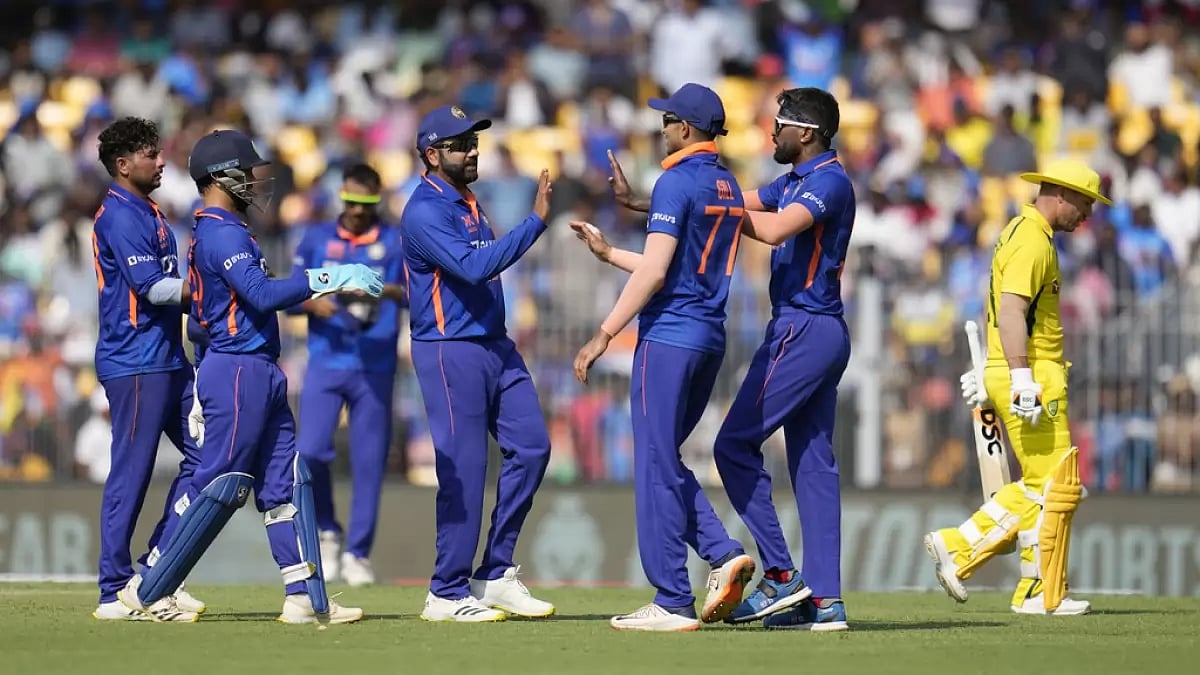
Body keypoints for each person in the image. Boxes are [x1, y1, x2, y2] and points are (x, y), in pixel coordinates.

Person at [606, 87, 854, 631]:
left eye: (781, 124)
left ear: (807, 132)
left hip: (804, 327)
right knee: (814, 463)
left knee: (733, 445)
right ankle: (826, 602)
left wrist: (705, 204)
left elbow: (765, 227)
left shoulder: (829, 183)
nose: (772, 132)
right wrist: (644, 204)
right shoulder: (793, 180)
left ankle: (783, 577)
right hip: (818, 330)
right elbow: (719, 200)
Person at [117, 129, 381, 624]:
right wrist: (331, 278)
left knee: (285, 481)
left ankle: (303, 594)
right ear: (221, 177)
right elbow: (260, 295)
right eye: (249, 171)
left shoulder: (219, 231)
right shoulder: (221, 232)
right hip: (239, 370)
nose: (257, 182)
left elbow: (200, 318)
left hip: (253, 366)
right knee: (218, 482)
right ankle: (149, 585)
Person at [570, 83, 755, 632]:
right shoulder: (726, 181)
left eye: (667, 119)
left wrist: (604, 334)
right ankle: (722, 554)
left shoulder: (674, 181)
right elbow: (666, 261)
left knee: (653, 463)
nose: (661, 127)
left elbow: (655, 273)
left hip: (669, 337)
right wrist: (608, 252)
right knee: (664, 456)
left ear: (684, 129)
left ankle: (672, 598)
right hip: (708, 338)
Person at [924, 158, 1105, 616]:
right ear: (1060, 194)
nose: (1087, 214)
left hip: (1021, 370)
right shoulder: (1031, 241)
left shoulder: (1022, 233)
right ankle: (966, 551)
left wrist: (996, 372)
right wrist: (1019, 376)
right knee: (1055, 486)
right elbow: (1010, 311)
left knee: (1041, 488)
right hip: (1031, 373)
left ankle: (1028, 587)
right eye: (1084, 203)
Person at [400, 104, 555, 623]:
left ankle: (494, 572)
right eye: (461, 144)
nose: (473, 151)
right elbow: (473, 267)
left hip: (495, 345)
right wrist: (535, 222)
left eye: (474, 142)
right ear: (432, 153)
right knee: (463, 469)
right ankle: (445, 591)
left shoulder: (467, 201)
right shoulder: (424, 210)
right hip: (450, 350)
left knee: (532, 447)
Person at [90, 116, 205, 621]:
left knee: (211, 456)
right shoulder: (118, 217)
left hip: (166, 359)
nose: (161, 161)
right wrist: (216, 291)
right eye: (151, 155)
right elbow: (153, 289)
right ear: (123, 163)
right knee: (131, 475)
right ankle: (114, 590)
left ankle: (154, 573)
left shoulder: (149, 210)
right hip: (135, 362)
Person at [289, 163, 407, 586]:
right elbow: (288, 291)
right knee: (311, 451)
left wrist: (375, 287)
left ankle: (358, 553)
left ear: (377, 200)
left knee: (369, 463)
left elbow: (413, 294)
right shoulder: (318, 237)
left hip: (375, 364)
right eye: (350, 202)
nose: (356, 212)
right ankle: (327, 529)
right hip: (327, 359)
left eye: (366, 204)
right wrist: (311, 302)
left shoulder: (394, 242)